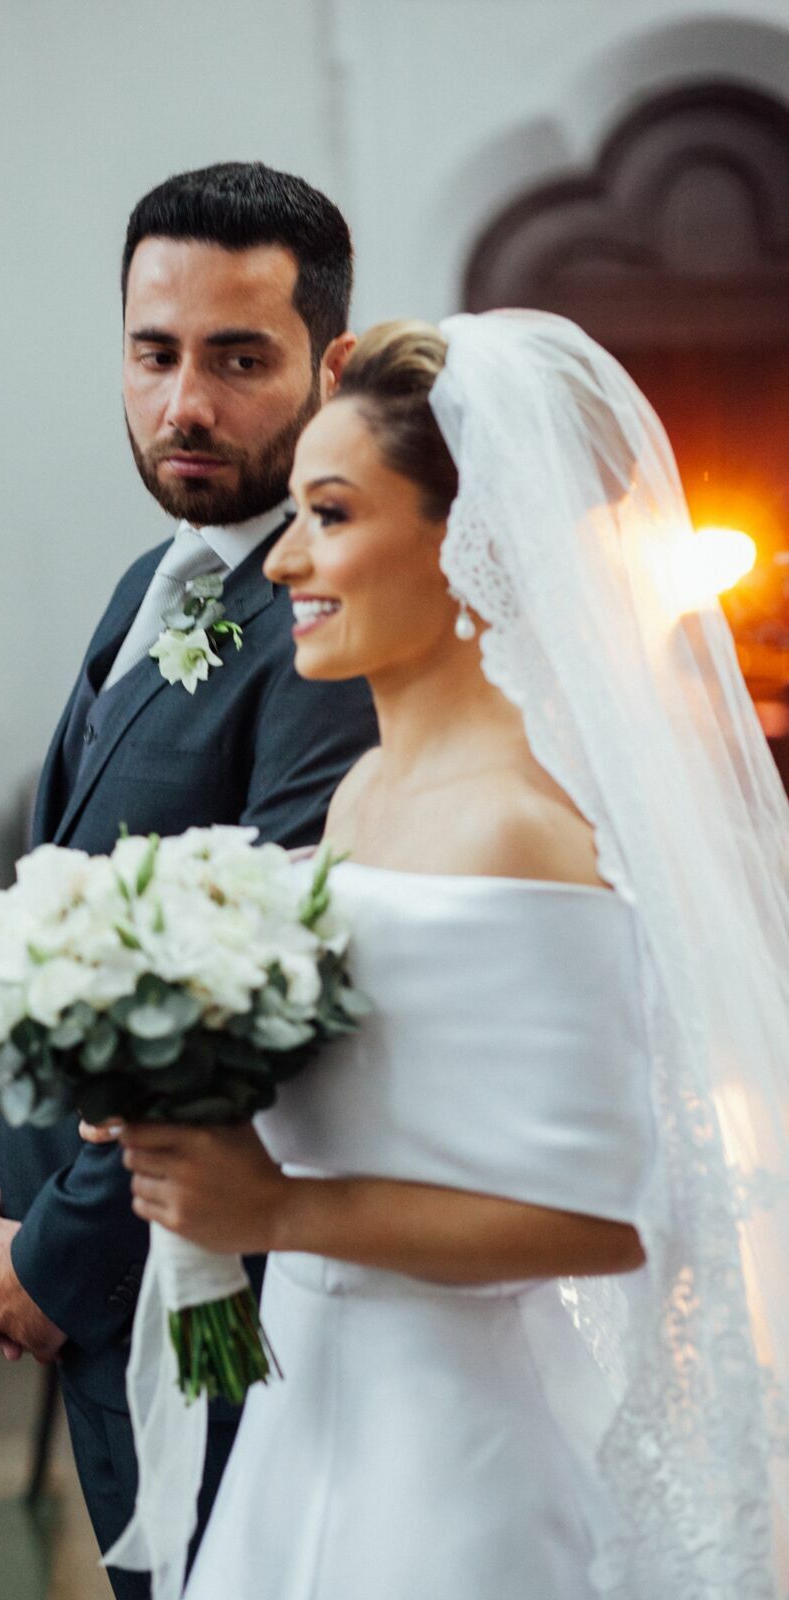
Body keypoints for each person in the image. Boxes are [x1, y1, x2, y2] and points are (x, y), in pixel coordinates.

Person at [111, 312, 789, 1597]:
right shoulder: (362, 794)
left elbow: (597, 1221)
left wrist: (276, 1211)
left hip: (453, 1468)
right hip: (306, 1407)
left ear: (465, 539)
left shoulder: (521, 827)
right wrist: (173, 1068)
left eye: (330, 515)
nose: (283, 562)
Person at [0, 161, 378, 1595]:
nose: (184, 404)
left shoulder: (329, 632)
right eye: (153, 352)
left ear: (331, 364)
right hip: (77, 1256)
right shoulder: (152, 583)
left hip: (210, 1299)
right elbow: (75, 902)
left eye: (238, 359)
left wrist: (51, 1267)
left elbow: (246, 1023)